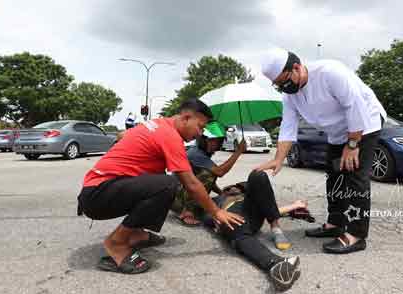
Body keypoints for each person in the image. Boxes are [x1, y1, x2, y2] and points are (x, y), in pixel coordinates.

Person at [76, 99, 244, 274]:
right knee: (167, 184)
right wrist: (216, 212)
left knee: (160, 178)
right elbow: (192, 183)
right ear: (186, 118)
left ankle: (135, 233)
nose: (200, 133)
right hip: (98, 195)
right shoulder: (170, 136)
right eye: (200, 127)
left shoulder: (156, 124)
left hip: (98, 191)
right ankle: (116, 243)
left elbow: (122, 136)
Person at [257, 48, 387, 254]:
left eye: (285, 81)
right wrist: (278, 158)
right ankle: (336, 224)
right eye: (279, 85)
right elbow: (288, 126)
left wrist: (353, 145)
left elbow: (355, 106)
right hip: (337, 133)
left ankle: (356, 234)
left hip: (365, 123)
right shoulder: (290, 96)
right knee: (334, 175)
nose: (284, 87)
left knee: (354, 175)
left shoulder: (330, 73)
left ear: (297, 67)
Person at [203, 170, 310, 292]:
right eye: (229, 188)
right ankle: (278, 266)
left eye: (236, 187)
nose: (232, 188)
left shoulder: (247, 197)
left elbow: (269, 209)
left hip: (250, 213)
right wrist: (214, 217)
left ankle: (275, 228)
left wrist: (295, 205)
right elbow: (204, 213)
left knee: (257, 175)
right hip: (228, 218)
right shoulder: (216, 200)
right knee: (236, 229)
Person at [172, 121, 247, 226]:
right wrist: (238, 152)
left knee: (208, 174)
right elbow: (219, 172)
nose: (218, 144)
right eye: (216, 141)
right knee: (209, 174)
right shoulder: (195, 153)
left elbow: (205, 179)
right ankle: (187, 212)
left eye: (220, 141)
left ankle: (193, 207)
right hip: (177, 199)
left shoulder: (201, 152)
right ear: (205, 140)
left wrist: (221, 193)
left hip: (180, 194)